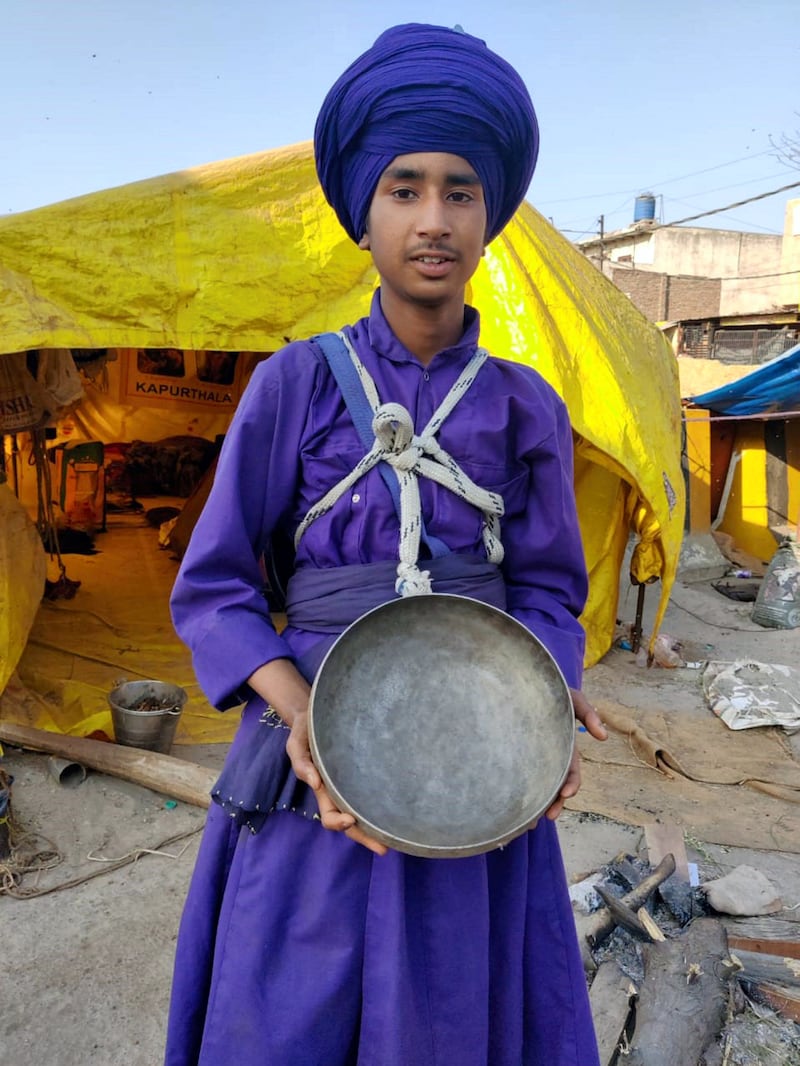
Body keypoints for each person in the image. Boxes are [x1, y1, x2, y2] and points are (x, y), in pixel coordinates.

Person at [166, 22, 607, 1066]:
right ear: (361, 211)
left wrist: (540, 705)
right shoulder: (293, 385)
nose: (432, 218)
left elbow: (548, 590)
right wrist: (297, 718)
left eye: (460, 190)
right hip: (312, 753)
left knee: (450, 1018)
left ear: (489, 214)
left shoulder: (524, 406)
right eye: (403, 187)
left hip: (471, 756)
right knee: (288, 1015)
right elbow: (217, 588)